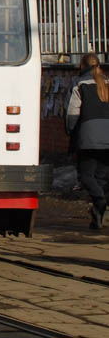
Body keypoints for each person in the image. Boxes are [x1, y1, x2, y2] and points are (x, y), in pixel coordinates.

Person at [66, 52, 109, 230]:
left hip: (88, 136)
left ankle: (101, 201)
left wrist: (70, 131)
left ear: (82, 66)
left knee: (86, 176)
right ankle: (97, 214)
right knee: (100, 177)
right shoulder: (107, 83)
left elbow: (73, 114)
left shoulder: (79, 85)